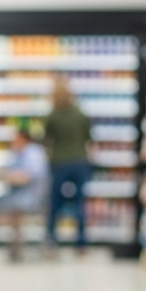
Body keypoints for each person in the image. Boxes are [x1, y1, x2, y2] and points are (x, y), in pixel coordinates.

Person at [42, 75, 93, 251]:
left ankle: (51, 241)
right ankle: (81, 244)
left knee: (55, 202)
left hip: (59, 162)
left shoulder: (52, 116)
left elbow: (46, 138)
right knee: (79, 203)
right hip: (80, 161)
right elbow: (88, 137)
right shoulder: (80, 114)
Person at [0, 128, 49, 261]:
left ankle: (16, 246)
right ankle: (15, 246)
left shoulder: (34, 153)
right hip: (17, 194)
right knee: (7, 206)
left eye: (16, 139)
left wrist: (10, 177)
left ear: (24, 139)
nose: (13, 142)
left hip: (33, 195)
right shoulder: (16, 153)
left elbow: (28, 176)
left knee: (16, 209)